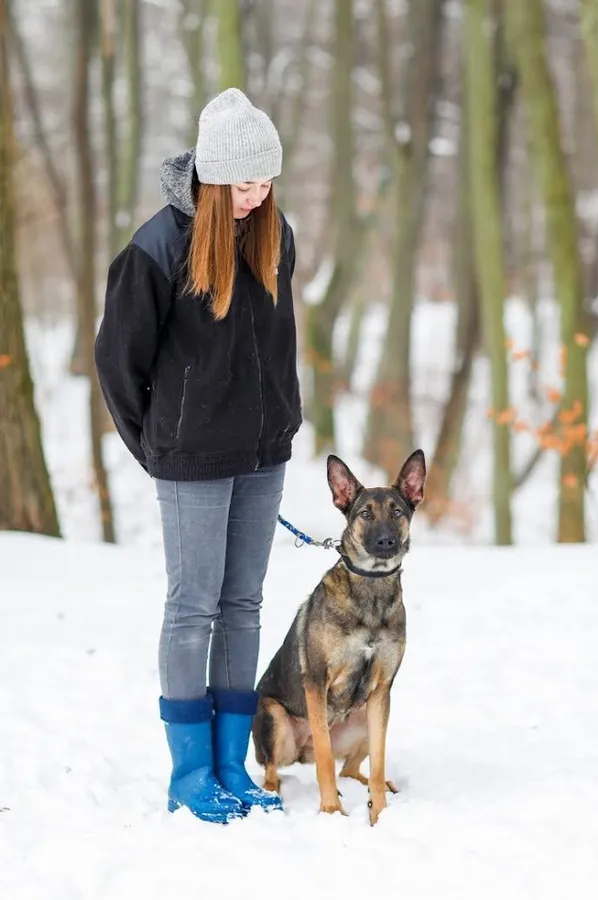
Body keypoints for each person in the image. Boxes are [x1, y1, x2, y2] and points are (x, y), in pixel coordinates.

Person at [94, 88, 303, 824]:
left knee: (242, 607)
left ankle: (228, 764)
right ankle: (188, 774)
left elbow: (278, 347)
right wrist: (156, 446)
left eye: (266, 182)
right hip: (190, 457)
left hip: (263, 451)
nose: (256, 196)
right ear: (212, 180)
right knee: (193, 610)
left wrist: (278, 418)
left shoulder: (277, 236)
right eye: (244, 185)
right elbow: (117, 361)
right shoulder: (156, 249)